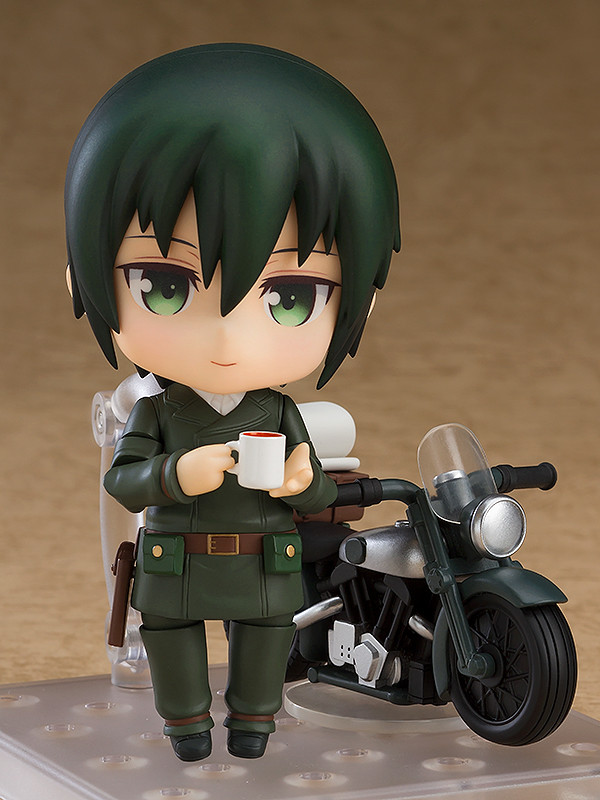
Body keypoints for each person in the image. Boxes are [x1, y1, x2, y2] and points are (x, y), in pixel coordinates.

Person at [65, 43, 400, 761]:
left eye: (291, 297)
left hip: (263, 568)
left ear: (361, 304)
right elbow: (123, 479)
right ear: (81, 280)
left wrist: (301, 482)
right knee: (175, 654)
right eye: (164, 286)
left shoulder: (277, 413)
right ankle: (186, 727)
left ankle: (253, 725)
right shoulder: (156, 410)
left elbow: (317, 490)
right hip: (176, 565)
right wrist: (173, 475)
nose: (226, 336)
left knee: (263, 656)